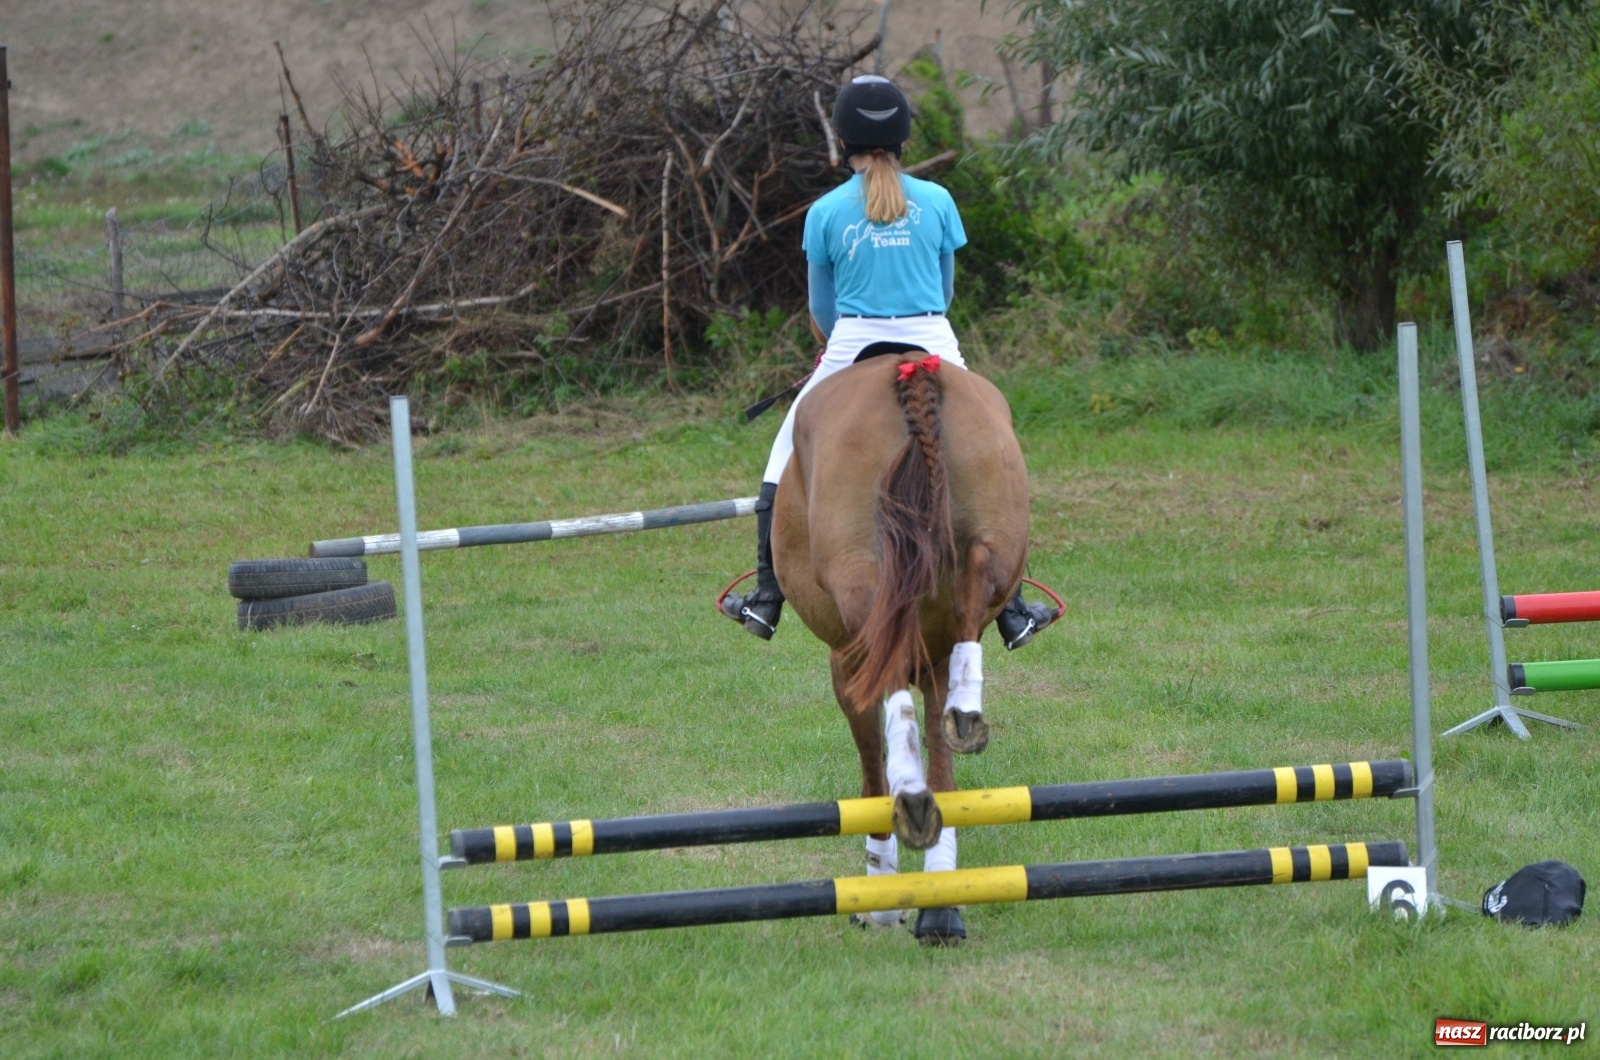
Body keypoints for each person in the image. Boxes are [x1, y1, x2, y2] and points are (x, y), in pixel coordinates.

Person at [722, 74, 1054, 651]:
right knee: (993, 447)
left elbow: (820, 308)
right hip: (931, 334)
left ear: (843, 138)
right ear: (903, 137)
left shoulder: (825, 211)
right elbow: (945, 292)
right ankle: (1014, 607)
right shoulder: (938, 201)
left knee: (783, 456)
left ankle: (766, 595)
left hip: (852, 339)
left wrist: (841, 345)